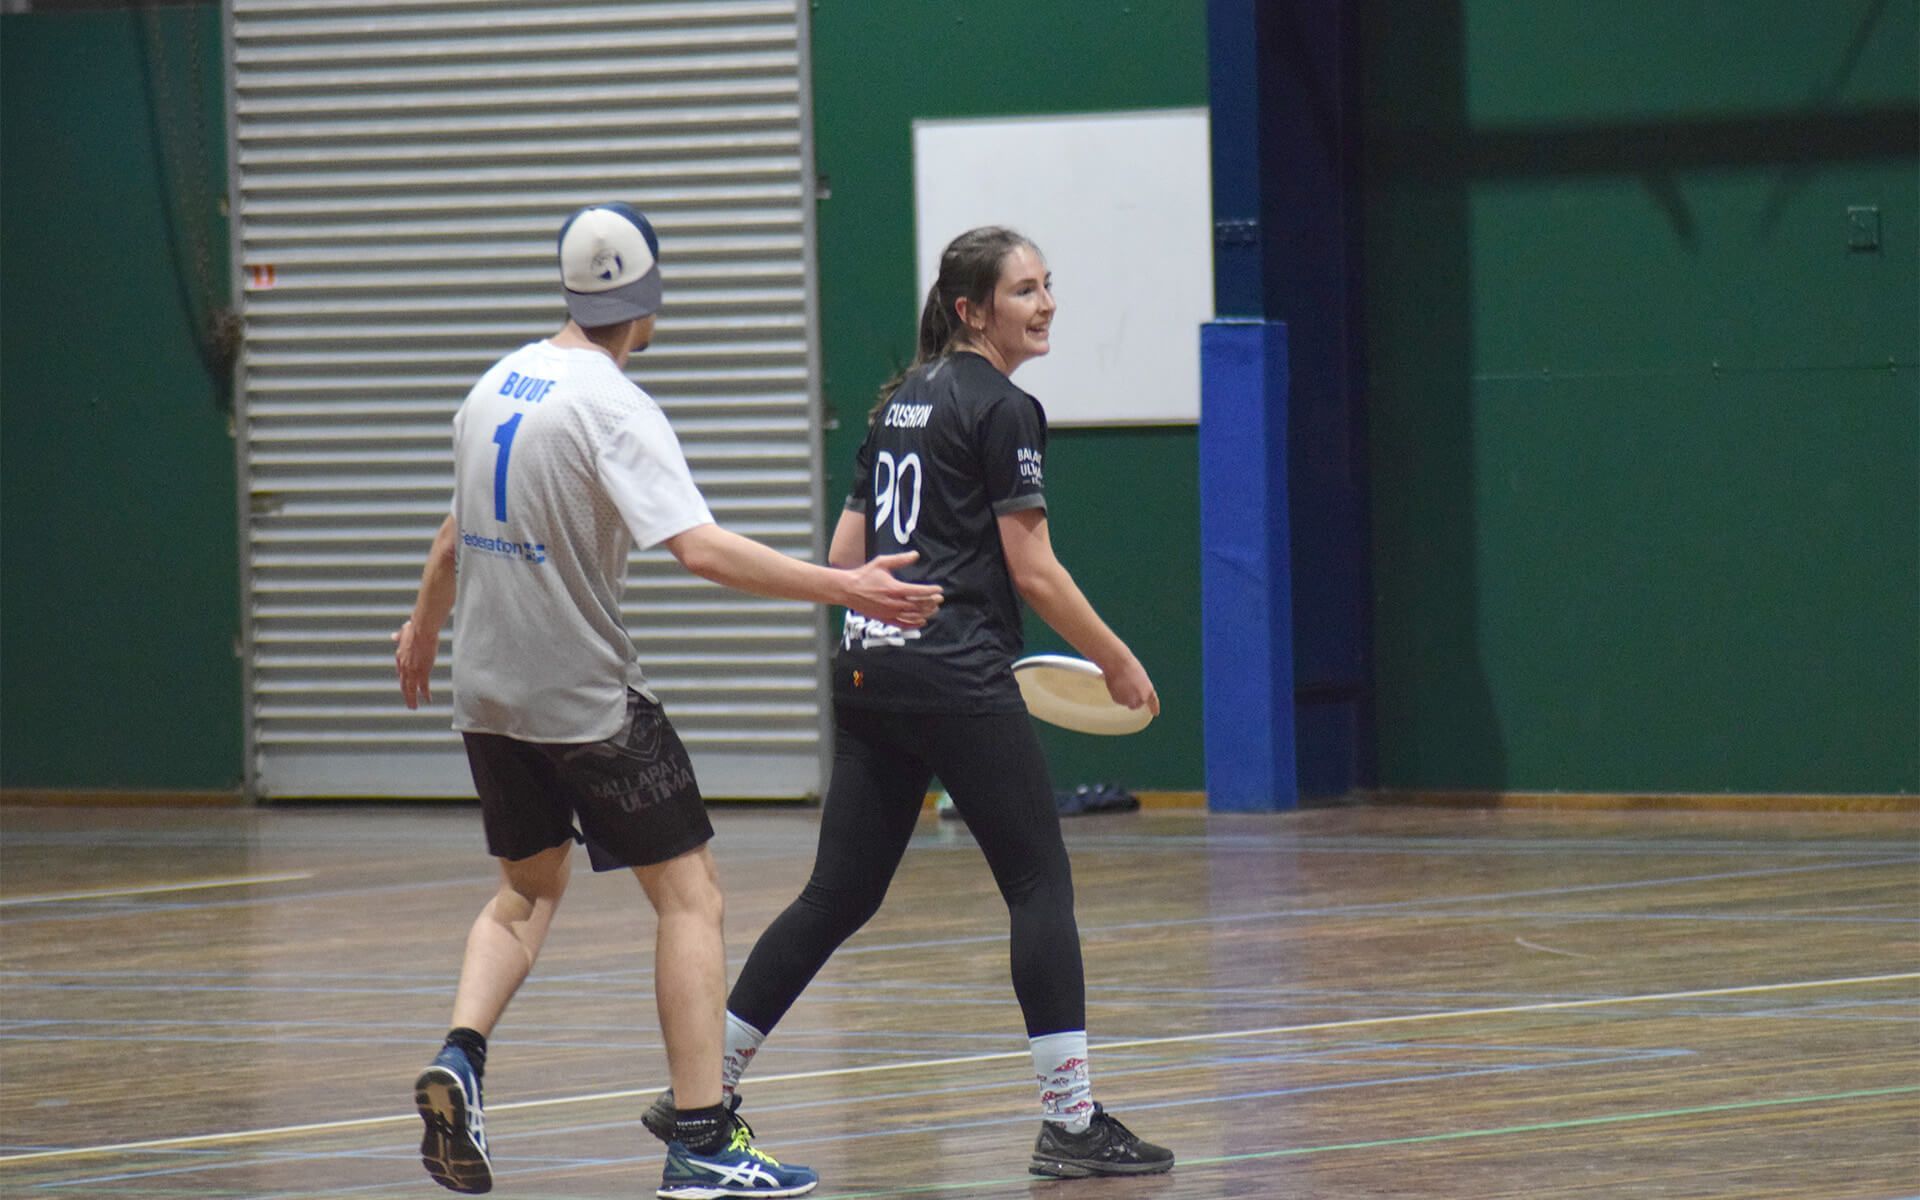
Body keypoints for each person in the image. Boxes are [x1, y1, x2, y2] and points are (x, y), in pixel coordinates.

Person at [391, 201, 942, 1199]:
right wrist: (848, 584)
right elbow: (700, 549)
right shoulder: (613, 404)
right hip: (587, 701)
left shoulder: (493, 387)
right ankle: (701, 1140)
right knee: (689, 896)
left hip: (488, 695)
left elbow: (446, 540)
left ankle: (461, 1057)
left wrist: (423, 629)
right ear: (648, 302)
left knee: (526, 890)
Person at [640, 226, 1174, 1177]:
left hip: (869, 670)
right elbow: (1033, 570)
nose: (1045, 305)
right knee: (1038, 886)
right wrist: (1119, 659)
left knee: (836, 893)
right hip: (957, 672)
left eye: (1049, 286)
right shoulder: (1006, 407)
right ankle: (1071, 1122)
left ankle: (704, 1087)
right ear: (973, 310)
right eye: (1024, 292)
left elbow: (847, 562)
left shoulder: (893, 407)